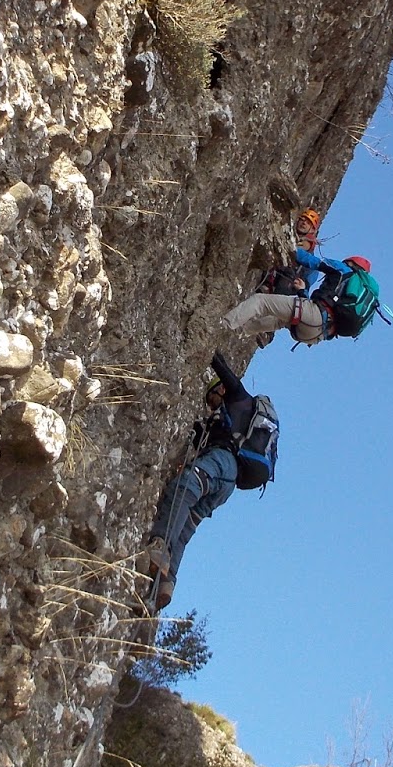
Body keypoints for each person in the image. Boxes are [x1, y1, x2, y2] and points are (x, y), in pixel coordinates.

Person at [139, 353, 254, 611]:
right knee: (188, 524)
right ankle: (165, 585)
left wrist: (211, 353)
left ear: (220, 390)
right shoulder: (226, 421)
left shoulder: (238, 400)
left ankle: (160, 546)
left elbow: (227, 375)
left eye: (212, 397)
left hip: (222, 463)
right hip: (227, 482)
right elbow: (199, 438)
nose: (210, 404)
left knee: (186, 486)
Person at [222, 247, 380, 347]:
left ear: (351, 264)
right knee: (281, 320)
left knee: (261, 301)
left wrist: (289, 249)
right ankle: (242, 331)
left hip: (313, 316)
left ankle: (224, 325)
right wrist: (302, 291)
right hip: (316, 335)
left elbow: (313, 262)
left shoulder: (343, 270)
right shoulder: (356, 296)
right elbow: (316, 310)